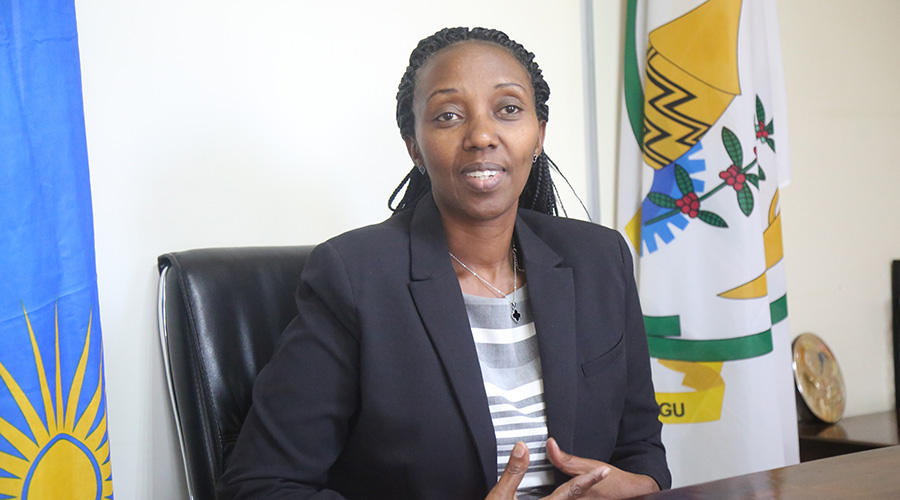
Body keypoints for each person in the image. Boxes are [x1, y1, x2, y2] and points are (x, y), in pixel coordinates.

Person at [218, 27, 670, 500]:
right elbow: (261, 486)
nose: (480, 136)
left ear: (538, 136)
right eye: (449, 115)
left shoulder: (599, 259)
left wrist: (636, 485)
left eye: (509, 110)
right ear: (414, 147)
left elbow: (640, 448)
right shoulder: (352, 276)